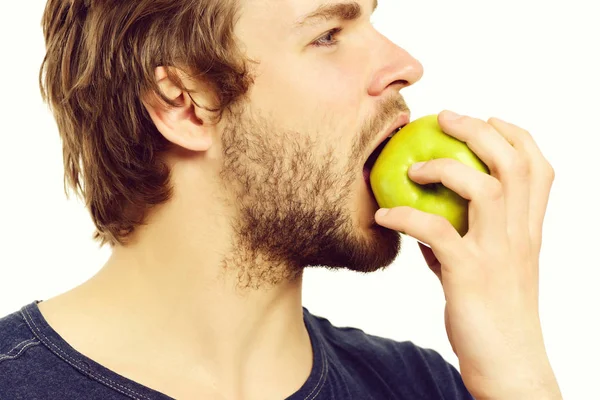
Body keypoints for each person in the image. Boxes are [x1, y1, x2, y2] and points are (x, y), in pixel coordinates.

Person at [0, 0, 562, 398]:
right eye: (327, 34)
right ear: (183, 104)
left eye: (370, 18)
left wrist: (520, 375)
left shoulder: (430, 387)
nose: (405, 67)